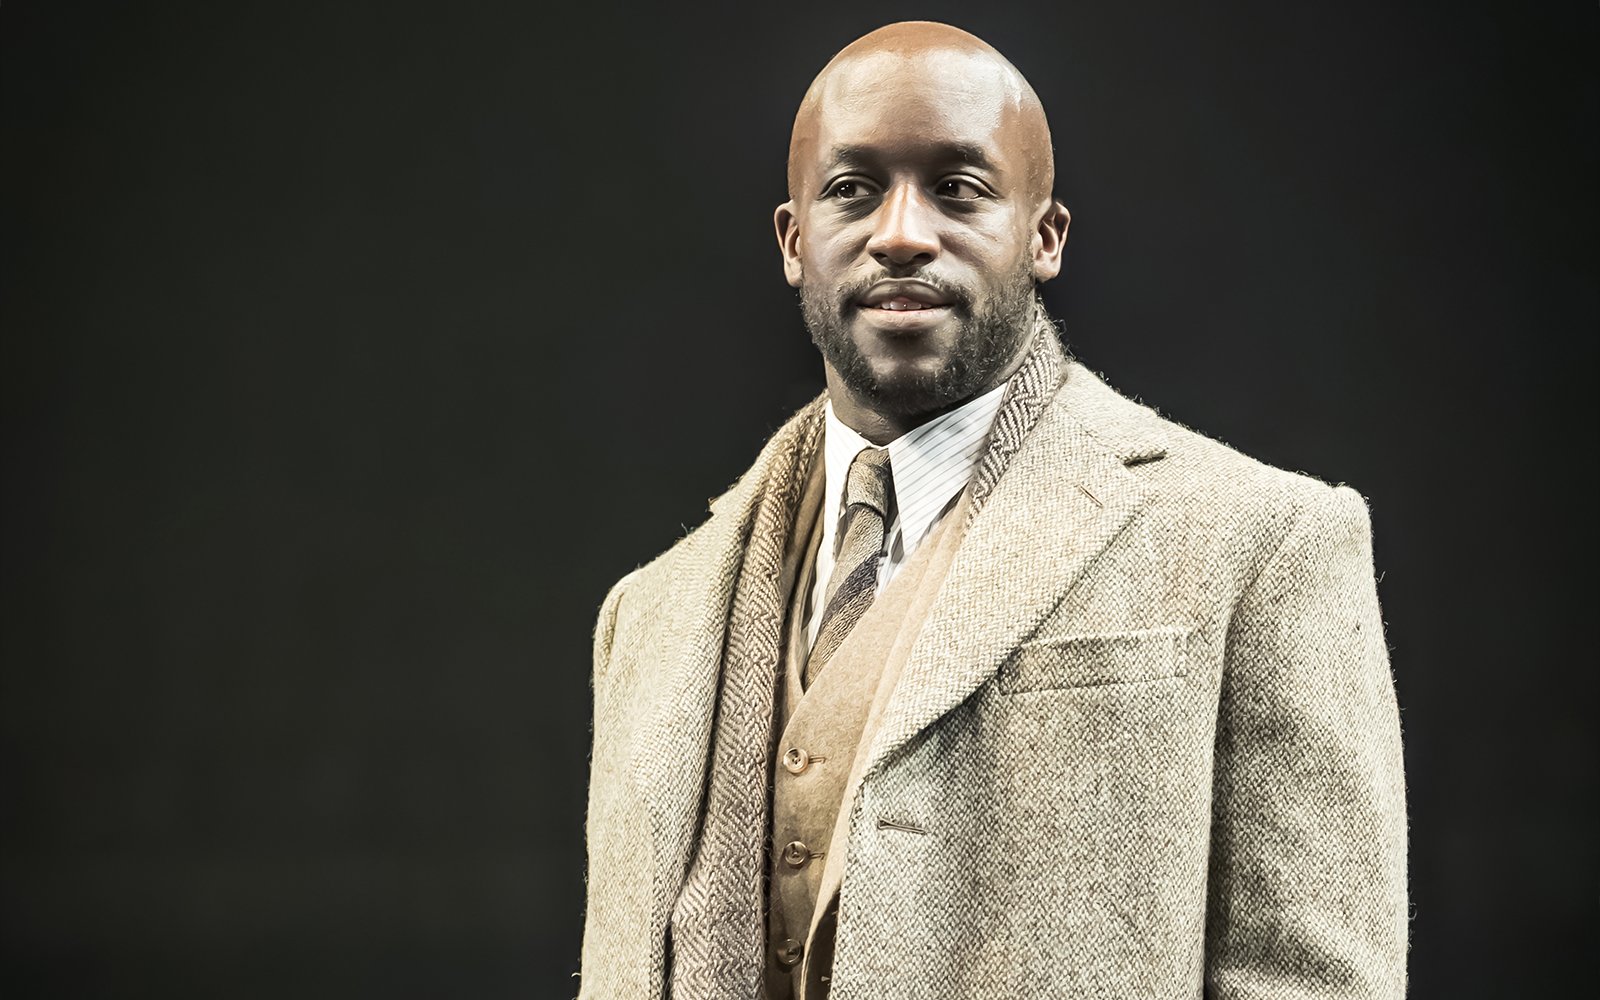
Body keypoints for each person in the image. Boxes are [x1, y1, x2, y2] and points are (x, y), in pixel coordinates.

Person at [578, 20, 1407, 1000]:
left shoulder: (1257, 543)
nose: (899, 232)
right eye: (852, 190)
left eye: (957, 188)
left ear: (1043, 235)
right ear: (794, 241)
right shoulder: (651, 614)